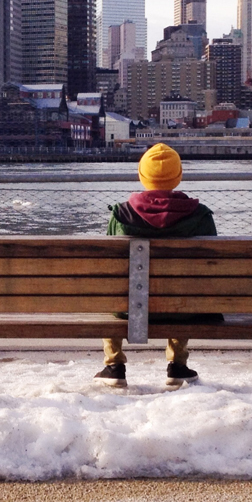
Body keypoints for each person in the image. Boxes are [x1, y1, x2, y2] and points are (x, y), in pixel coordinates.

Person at [95, 142, 218, 388]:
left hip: (128, 308)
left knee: (113, 291)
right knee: (185, 289)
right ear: (179, 176)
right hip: (182, 308)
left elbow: (107, 267)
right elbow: (211, 268)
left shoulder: (121, 215)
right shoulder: (200, 216)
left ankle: (114, 365)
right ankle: (178, 366)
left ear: (142, 175)